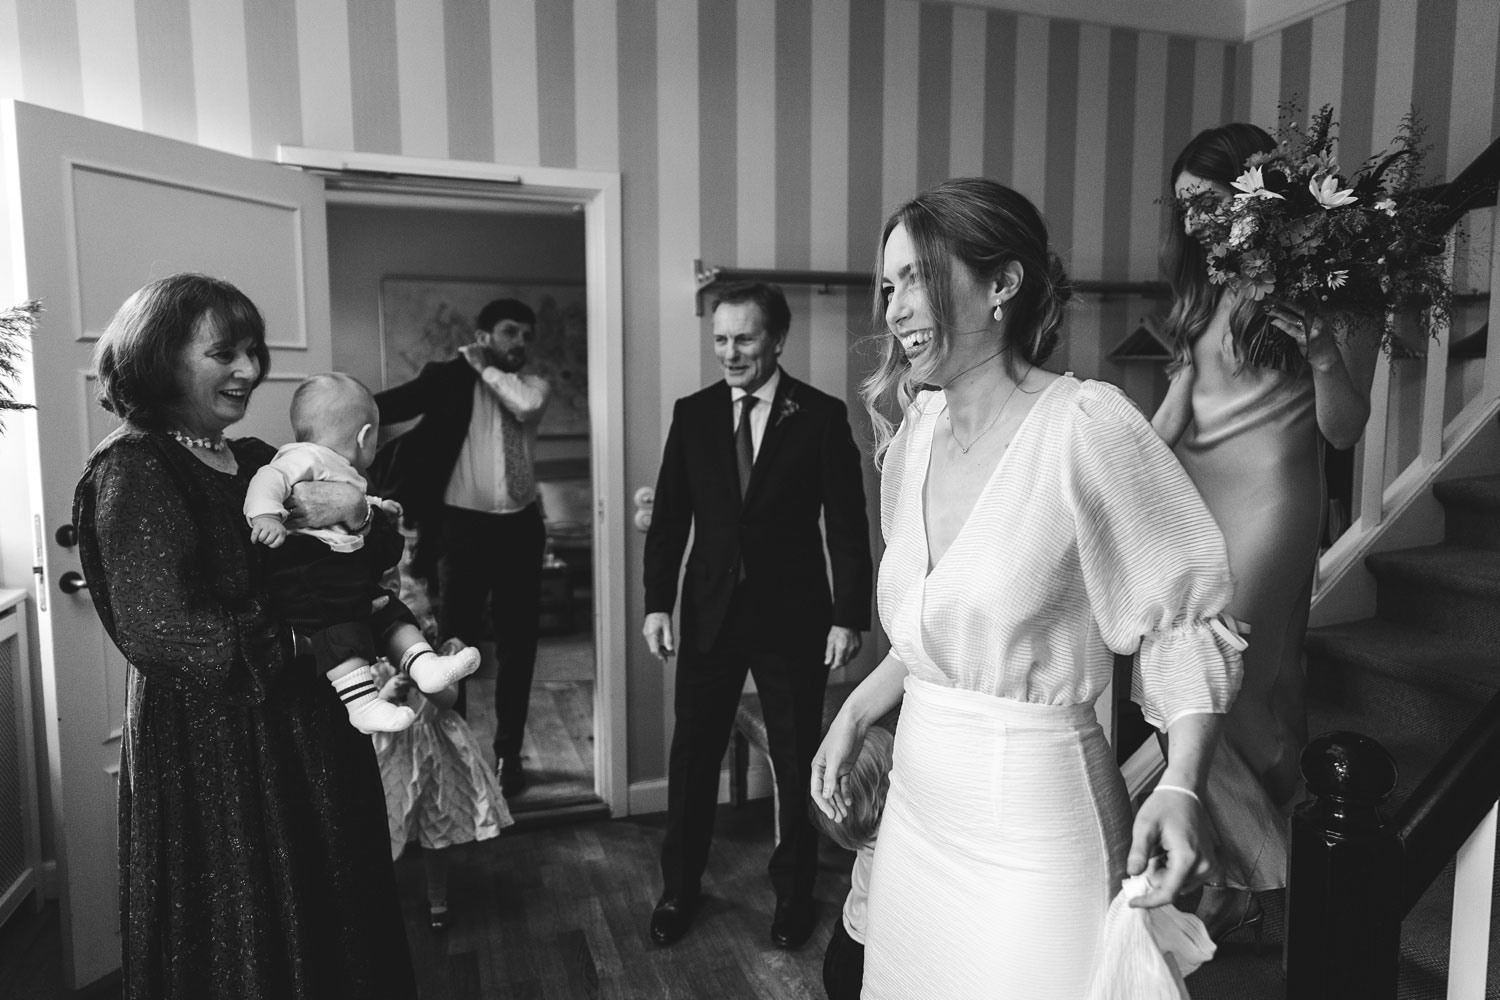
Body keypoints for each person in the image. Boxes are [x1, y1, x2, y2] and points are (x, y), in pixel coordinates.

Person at [811, 178, 1246, 999]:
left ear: (1003, 283)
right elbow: (937, 627)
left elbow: (1184, 625)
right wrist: (857, 709)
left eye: (917, 278)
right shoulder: (914, 438)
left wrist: (1183, 781)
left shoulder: (1087, 427)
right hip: (917, 814)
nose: (895, 307)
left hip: (1037, 825)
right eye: (888, 283)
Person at [73, 273, 417, 999]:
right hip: (217, 749)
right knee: (249, 926)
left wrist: (358, 516)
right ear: (159, 354)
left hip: (313, 733)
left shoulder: (260, 458)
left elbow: (375, 549)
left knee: (336, 911)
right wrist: (307, 639)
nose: (250, 370)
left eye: (254, 351)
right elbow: (162, 630)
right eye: (224, 352)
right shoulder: (134, 468)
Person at [1151, 123, 1379, 938]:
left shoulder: (1329, 280)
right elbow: (1179, 407)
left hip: (1276, 501)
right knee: (1248, 682)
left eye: (1208, 202)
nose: (1195, 222)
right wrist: (1124, 466)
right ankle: (1248, 872)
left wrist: (1322, 352)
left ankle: (1267, 867)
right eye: (1183, 209)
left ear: (1255, 194)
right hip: (1194, 498)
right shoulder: (1200, 287)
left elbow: (1346, 430)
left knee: (1227, 673)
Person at [642, 282, 873, 949]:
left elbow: (848, 528)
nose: (729, 352)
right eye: (720, 339)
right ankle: (680, 890)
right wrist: (658, 601)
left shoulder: (821, 416)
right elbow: (670, 518)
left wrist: (847, 615)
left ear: (776, 339)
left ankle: (794, 894)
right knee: (692, 759)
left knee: (799, 755)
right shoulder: (693, 414)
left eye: (743, 338)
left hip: (793, 618)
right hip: (709, 615)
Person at [373, 299, 551, 797]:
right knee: (456, 646)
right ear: (483, 334)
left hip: (521, 530)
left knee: (520, 644)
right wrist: (336, 406)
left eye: (526, 335)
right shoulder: (449, 378)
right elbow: (394, 403)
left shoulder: (533, 386)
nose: (520, 343)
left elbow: (524, 405)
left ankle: (508, 755)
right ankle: (463, 754)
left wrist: (483, 366)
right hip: (459, 530)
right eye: (510, 332)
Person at [244, 372, 481, 734]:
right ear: (366, 437)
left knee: (391, 612)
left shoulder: (343, 471)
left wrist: (376, 508)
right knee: (338, 626)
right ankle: (362, 703)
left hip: (345, 571)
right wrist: (265, 515)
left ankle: (425, 666)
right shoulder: (303, 456)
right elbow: (268, 479)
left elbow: (354, 507)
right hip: (312, 574)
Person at [370, 641, 513, 932]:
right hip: (394, 754)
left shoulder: (445, 653)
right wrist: (386, 692)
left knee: (437, 821)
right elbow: (366, 709)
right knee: (387, 823)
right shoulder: (375, 661)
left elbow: (448, 700)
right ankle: (382, 896)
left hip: (437, 752)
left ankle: (438, 897)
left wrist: (425, 683)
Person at [808, 724, 894, 1000]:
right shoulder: (892, 834)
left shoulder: (866, 828)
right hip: (867, 955)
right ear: (881, 794)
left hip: (846, 938)